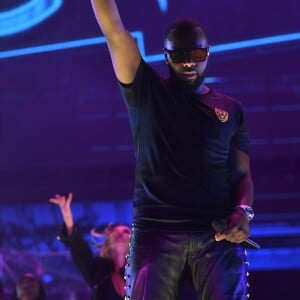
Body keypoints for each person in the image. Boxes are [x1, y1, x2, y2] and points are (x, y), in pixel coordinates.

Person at [90, 1, 255, 299]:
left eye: (197, 54)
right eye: (179, 56)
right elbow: (113, 31)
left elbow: (241, 174)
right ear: (166, 57)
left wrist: (243, 212)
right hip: (156, 230)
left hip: (215, 232)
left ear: (208, 53)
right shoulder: (145, 90)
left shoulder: (231, 109)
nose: (189, 63)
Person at [49, 193, 130, 300]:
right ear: (108, 242)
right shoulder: (98, 270)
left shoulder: (140, 268)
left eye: (126, 231)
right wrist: (67, 217)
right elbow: (79, 249)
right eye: (114, 231)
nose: (120, 233)